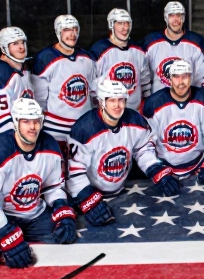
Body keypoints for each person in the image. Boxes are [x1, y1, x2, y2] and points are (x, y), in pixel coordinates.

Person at [0, 98, 76, 269]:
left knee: (63, 232)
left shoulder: (50, 145)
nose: (32, 127)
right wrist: (4, 233)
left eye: (36, 121)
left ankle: (17, 232)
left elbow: (53, 187)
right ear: (15, 122)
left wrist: (60, 208)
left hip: (30, 212)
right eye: (26, 121)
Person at [66, 78, 177, 227]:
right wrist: (88, 199)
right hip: (94, 195)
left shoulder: (135, 119)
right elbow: (73, 172)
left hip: (122, 192)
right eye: (112, 100)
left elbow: (143, 148)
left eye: (121, 100)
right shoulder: (84, 130)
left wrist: (155, 168)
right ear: (101, 102)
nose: (117, 105)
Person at [141, 59, 204, 185]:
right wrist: (157, 172)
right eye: (176, 77)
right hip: (165, 169)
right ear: (169, 79)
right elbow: (145, 146)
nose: (181, 82)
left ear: (191, 78)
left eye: (185, 77)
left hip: (198, 167)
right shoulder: (153, 105)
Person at [33, 15, 99, 157]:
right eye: (67, 30)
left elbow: (94, 92)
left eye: (75, 29)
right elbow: (39, 101)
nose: (72, 34)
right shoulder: (45, 58)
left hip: (83, 128)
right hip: (55, 131)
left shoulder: (87, 57)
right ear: (58, 32)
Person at [90, 8, 152, 111]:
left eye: (126, 23)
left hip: (134, 113)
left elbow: (145, 82)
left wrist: (146, 105)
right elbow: (92, 86)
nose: (124, 28)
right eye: (120, 23)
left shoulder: (138, 51)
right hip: (109, 114)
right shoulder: (99, 51)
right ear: (111, 25)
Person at [143, 1, 204, 96]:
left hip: (188, 102)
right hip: (159, 103)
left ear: (183, 18)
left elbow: (201, 78)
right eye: (172, 16)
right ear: (166, 18)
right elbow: (144, 77)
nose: (176, 20)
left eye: (179, 15)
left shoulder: (197, 42)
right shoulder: (150, 42)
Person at [0, 26, 35, 137]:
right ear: (4, 48)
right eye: (15, 44)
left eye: (22, 42)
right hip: (10, 141)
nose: (21, 47)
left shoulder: (24, 68)